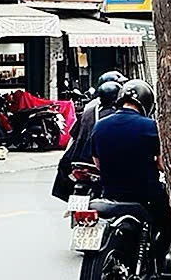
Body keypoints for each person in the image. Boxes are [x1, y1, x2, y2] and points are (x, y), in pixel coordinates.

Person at [89, 79, 167, 260]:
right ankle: (160, 262)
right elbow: (162, 164)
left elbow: (97, 163)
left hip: (110, 195)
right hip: (146, 197)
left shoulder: (100, 125)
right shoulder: (152, 126)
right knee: (169, 220)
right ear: (147, 102)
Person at [54, 71, 126, 200]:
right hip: (98, 161)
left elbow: (73, 137)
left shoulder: (89, 110)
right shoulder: (117, 115)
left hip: (79, 160)